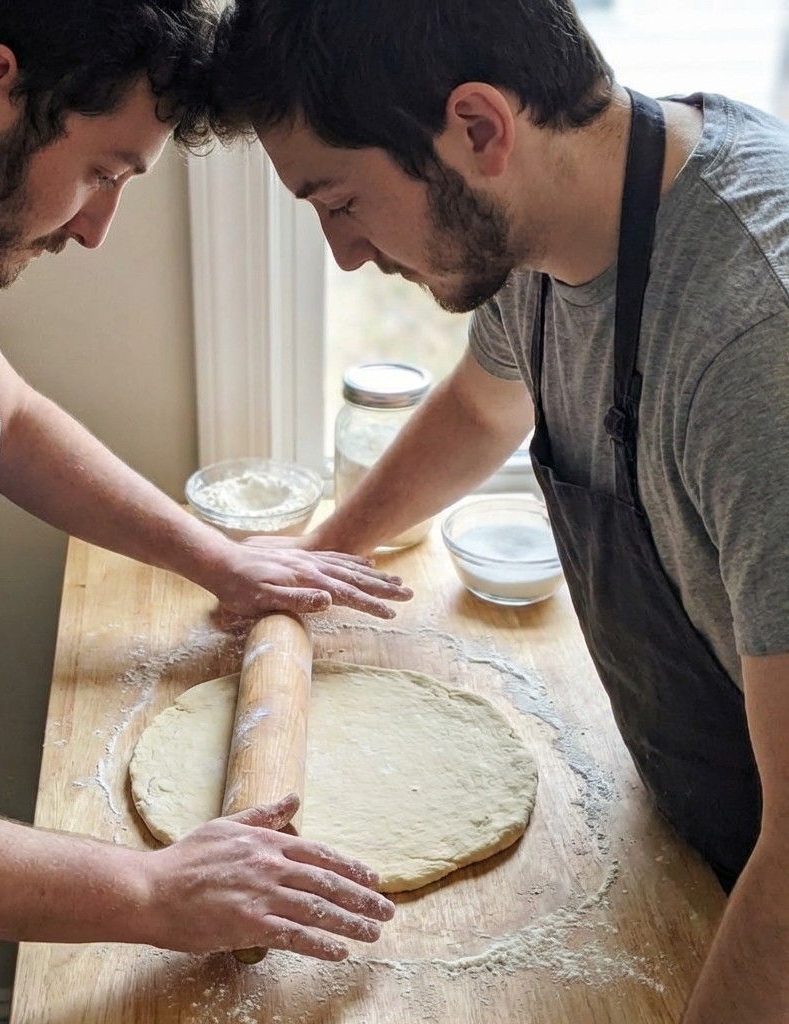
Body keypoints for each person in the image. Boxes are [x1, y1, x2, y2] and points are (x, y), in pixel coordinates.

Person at [0, 1, 409, 1019]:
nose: (97, 227)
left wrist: (216, 559)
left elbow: (2, 411)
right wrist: (154, 891)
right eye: (106, 172)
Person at [206, 0, 789, 1020]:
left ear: (477, 128)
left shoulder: (752, 336)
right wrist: (314, 563)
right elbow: (481, 409)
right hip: (712, 839)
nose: (343, 255)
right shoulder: (546, 231)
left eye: (338, 201)